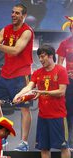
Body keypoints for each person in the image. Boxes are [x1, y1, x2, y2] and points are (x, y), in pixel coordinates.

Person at [0, 3, 34, 151]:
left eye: (17, 13)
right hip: (5, 74)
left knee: (24, 108)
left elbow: (16, 50)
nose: (13, 15)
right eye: (12, 12)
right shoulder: (5, 29)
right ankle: (2, 138)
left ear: (24, 16)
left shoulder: (27, 32)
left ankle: (24, 142)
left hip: (22, 75)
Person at [13, 44, 71, 158]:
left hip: (58, 116)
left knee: (63, 147)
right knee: (44, 148)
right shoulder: (37, 72)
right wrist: (19, 95)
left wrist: (42, 92)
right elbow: (29, 87)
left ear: (51, 56)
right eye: (39, 57)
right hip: (43, 117)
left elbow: (61, 91)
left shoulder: (61, 70)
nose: (40, 59)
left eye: (43, 56)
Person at [56, 16, 73, 150]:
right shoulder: (64, 43)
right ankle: (67, 140)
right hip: (69, 83)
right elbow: (59, 65)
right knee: (67, 111)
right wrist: (63, 76)